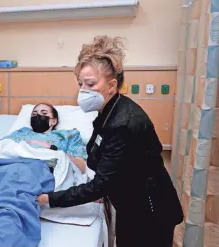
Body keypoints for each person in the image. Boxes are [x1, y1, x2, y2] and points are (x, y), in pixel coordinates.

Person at [37, 36, 183, 247]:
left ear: (112, 86)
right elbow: (97, 154)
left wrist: (49, 199)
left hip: (150, 213)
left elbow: (103, 181)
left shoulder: (123, 123)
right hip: (130, 202)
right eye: (81, 84)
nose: (83, 91)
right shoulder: (108, 111)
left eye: (90, 84)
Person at [0, 103, 87, 173]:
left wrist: (52, 148)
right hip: (11, 167)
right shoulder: (21, 132)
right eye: (34, 114)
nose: (38, 116)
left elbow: (81, 168)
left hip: (41, 171)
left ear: (54, 121)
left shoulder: (67, 136)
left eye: (44, 113)